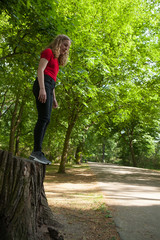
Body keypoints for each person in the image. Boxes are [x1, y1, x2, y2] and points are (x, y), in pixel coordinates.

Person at [29, 34, 71, 165]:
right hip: (43, 84)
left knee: (46, 119)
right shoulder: (48, 52)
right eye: (65, 45)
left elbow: (53, 80)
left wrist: (54, 98)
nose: (66, 49)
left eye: (68, 47)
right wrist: (42, 89)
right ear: (59, 42)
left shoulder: (57, 60)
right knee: (43, 118)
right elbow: (40, 70)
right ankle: (36, 152)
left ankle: (38, 152)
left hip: (49, 86)